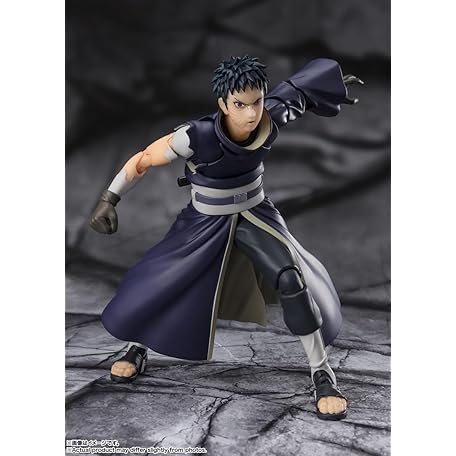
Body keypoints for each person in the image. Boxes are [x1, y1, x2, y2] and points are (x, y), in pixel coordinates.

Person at [90, 55, 363, 420]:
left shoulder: (269, 116)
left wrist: (333, 85)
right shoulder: (194, 136)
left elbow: (299, 92)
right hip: (204, 219)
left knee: (291, 279)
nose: (251, 114)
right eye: (240, 105)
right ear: (223, 104)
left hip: (255, 215)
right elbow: (142, 160)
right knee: (165, 281)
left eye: (257, 102)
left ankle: (321, 371)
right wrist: (109, 199)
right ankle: (138, 345)